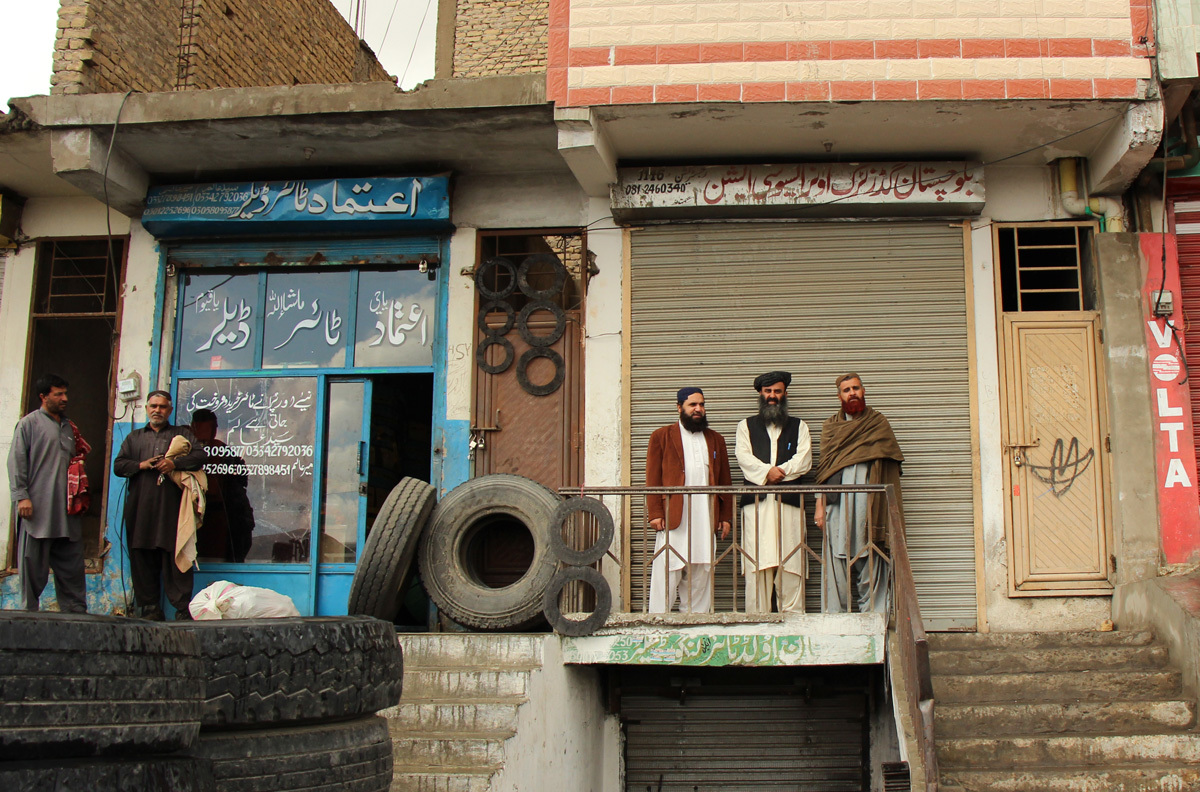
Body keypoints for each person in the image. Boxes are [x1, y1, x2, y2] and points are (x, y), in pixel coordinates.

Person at [814, 373, 905, 614]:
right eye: (846, 390)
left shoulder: (878, 423)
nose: (852, 393)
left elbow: (891, 464)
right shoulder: (830, 427)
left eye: (856, 388)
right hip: (838, 504)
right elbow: (823, 468)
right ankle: (835, 624)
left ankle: (875, 623)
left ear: (863, 391)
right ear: (839, 396)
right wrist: (819, 507)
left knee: (872, 558)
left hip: (870, 504)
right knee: (835, 563)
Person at [114, 390, 205, 620]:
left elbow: (200, 456)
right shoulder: (134, 438)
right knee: (142, 559)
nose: (157, 410)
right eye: (153, 406)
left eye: (162, 407)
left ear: (170, 410)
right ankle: (150, 609)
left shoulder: (181, 434)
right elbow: (119, 466)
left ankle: (182, 610)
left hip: (171, 511)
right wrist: (142, 465)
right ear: (146, 408)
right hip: (141, 511)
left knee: (175, 558)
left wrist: (173, 463)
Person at [645, 387, 733, 614]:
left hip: (705, 516)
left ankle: (696, 623)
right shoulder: (661, 436)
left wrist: (725, 517)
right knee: (667, 570)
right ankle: (658, 620)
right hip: (674, 517)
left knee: (701, 572)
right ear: (679, 408)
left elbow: (725, 481)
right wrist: (654, 512)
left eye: (702, 405)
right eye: (692, 405)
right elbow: (652, 478)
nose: (698, 409)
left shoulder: (715, 439)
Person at [7, 374, 87, 612]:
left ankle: (76, 616)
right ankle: (27, 617)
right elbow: (16, 462)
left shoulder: (69, 426)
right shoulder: (28, 424)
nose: (65, 398)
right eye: (58, 394)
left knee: (72, 567)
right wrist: (22, 496)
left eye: (65, 393)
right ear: (43, 397)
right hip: (38, 509)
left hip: (67, 510)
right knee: (32, 567)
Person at [735, 371, 813, 613]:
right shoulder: (745, 426)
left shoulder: (799, 426)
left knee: (791, 565)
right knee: (757, 565)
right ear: (760, 394)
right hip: (757, 509)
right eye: (768, 392)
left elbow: (805, 459)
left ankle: (793, 627)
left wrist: (781, 471)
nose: (772, 396)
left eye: (777, 391)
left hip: (788, 507)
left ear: (785, 394)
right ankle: (756, 625)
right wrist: (767, 472)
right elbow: (743, 458)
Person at [190, 409, 255, 562]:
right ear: (193, 427)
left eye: (210, 428)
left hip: (224, 516)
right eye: (201, 428)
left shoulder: (223, 451)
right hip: (196, 515)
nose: (207, 435)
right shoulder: (186, 451)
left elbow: (239, 480)